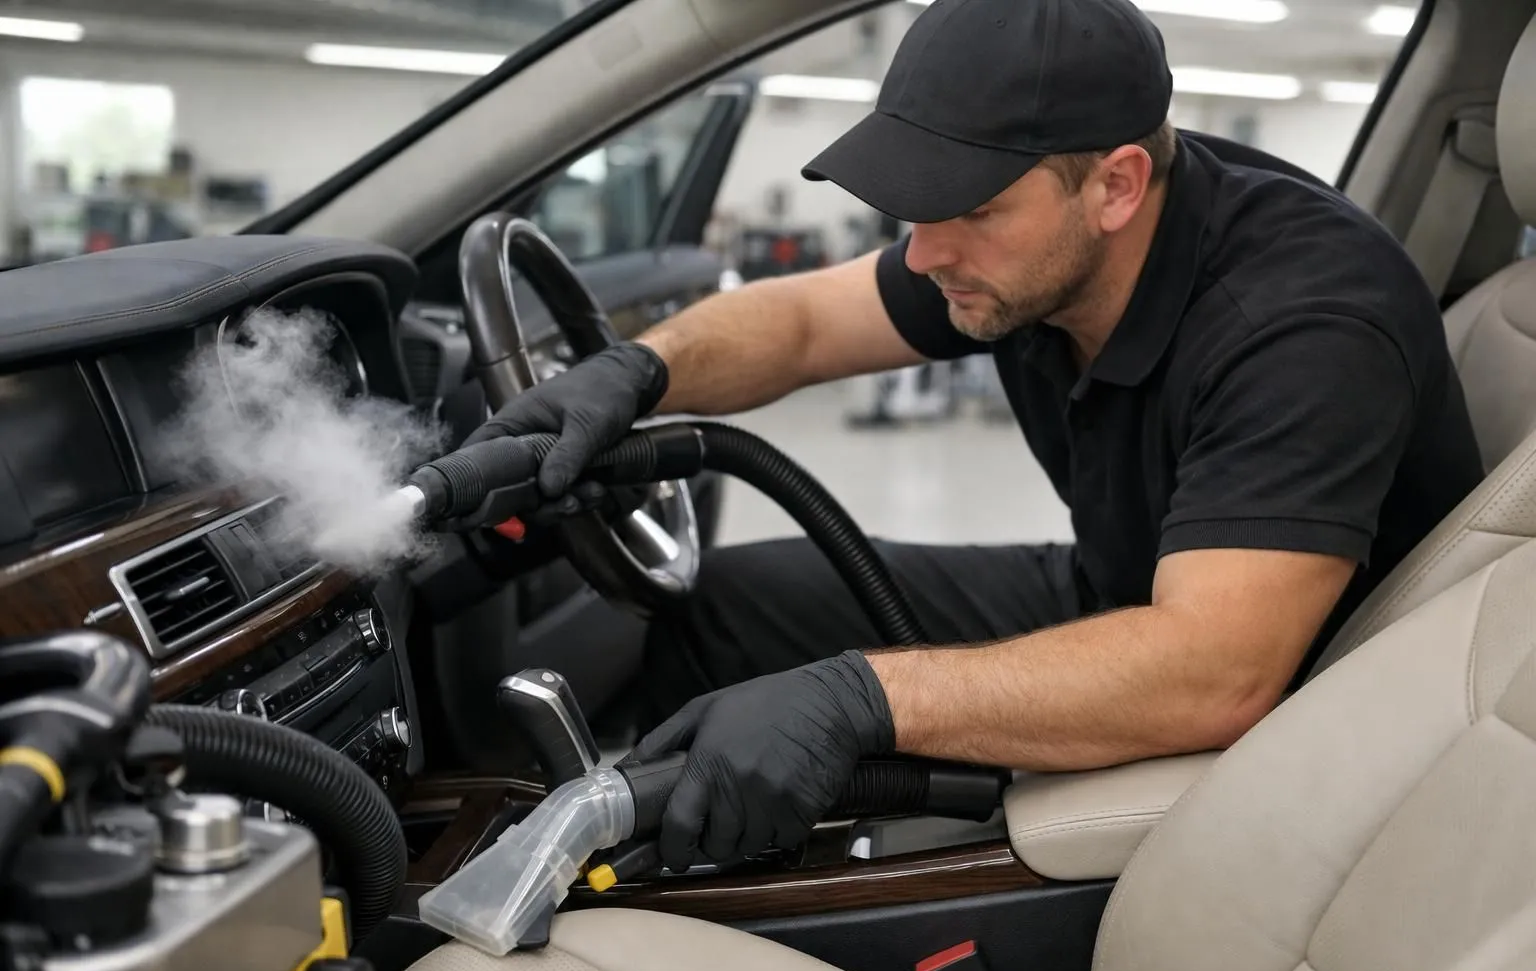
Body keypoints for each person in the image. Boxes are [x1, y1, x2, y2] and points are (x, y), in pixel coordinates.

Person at [463, 0, 1485, 875]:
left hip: (1297, 712)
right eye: (918, 204)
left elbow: (1217, 671)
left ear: (1117, 186)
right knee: (727, 609)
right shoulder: (1029, 247)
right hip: (1133, 589)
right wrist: (635, 374)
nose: (924, 253)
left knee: (841, 693)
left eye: (969, 208)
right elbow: (805, 323)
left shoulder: (1304, 320)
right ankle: (675, 868)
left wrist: (865, 698)